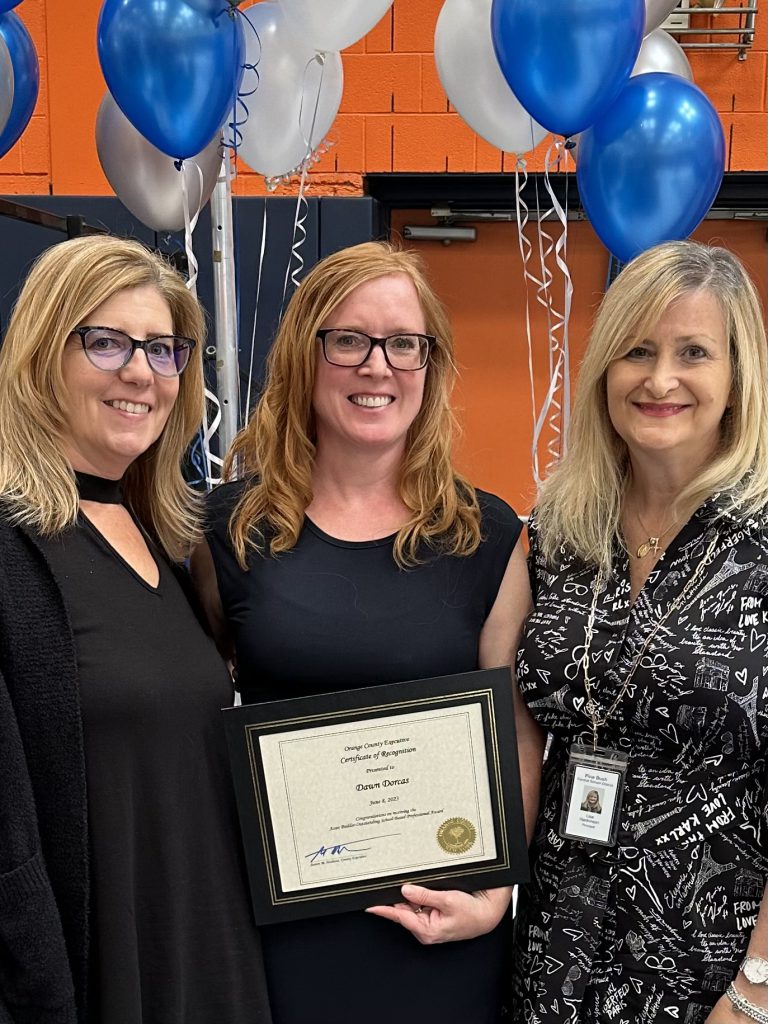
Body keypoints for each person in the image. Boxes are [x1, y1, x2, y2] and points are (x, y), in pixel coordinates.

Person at [192, 240, 544, 1024]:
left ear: (431, 363)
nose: (377, 366)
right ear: (305, 355)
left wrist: (493, 894)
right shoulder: (231, 531)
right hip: (282, 932)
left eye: (403, 344)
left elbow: (516, 735)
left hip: (442, 929)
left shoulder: (486, 535)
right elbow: (199, 698)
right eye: (348, 339)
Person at [0, 236, 271, 1024]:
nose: (140, 374)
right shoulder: (13, 553)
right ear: (41, 354)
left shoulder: (163, 538)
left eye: (162, 350)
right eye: (107, 341)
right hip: (97, 979)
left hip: (208, 960)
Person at [511, 240, 768, 1024]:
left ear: (737, 378)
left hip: (715, 962)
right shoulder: (558, 532)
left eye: (694, 352)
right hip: (556, 945)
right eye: (637, 352)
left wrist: (757, 988)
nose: (660, 379)